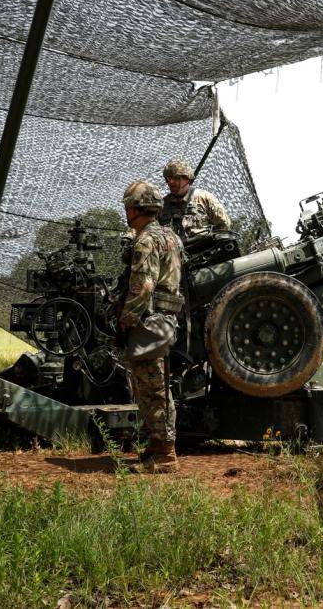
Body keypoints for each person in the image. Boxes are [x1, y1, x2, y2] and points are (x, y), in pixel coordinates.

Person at [118, 180, 185, 473]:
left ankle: (165, 455)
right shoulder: (171, 236)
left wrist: (126, 319)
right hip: (166, 318)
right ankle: (157, 447)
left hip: (149, 319)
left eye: (128, 207)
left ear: (136, 209)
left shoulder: (145, 241)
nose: (126, 212)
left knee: (152, 386)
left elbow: (143, 287)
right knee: (154, 382)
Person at [160, 159, 231, 240]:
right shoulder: (162, 205)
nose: (170, 182)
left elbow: (224, 225)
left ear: (186, 178)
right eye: (168, 179)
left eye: (175, 178)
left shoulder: (203, 198)